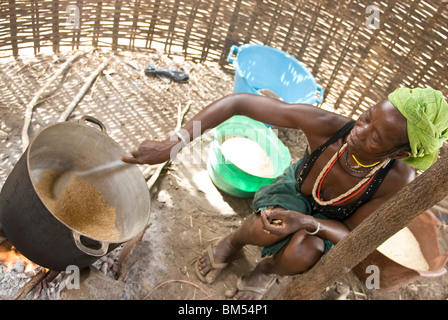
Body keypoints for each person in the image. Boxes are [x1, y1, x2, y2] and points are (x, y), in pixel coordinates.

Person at [121, 87, 448, 299]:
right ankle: (232, 242)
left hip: (330, 224)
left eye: (375, 138)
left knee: (306, 252)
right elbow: (239, 103)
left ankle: (265, 271)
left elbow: (351, 234)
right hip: (296, 191)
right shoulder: (329, 126)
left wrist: (304, 221)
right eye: (366, 117)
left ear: (399, 154)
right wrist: (172, 144)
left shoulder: (397, 181)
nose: (358, 132)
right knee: (266, 226)